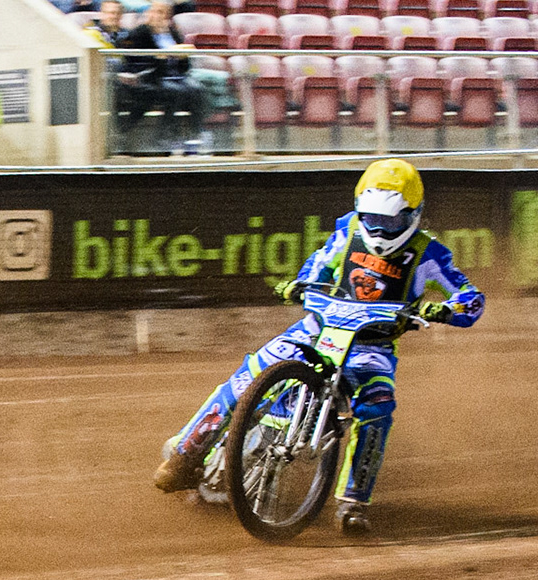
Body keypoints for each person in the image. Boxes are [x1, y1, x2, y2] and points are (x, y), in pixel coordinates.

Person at [152, 159, 483, 534]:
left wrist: (444, 310)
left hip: (370, 349)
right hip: (315, 328)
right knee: (247, 377)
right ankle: (185, 454)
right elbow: (318, 265)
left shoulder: (430, 253)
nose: (378, 228)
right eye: (372, 217)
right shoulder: (348, 230)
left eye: (390, 221)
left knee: (377, 408)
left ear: (413, 215)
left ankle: (353, 503)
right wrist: (301, 283)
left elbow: (471, 297)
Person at [116, 2, 207, 152]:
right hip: (154, 77)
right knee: (176, 91)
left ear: (167, 16)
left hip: (176, 76)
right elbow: (136, 62)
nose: (157, 16)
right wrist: (160, 58)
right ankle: (163, 137)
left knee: (198, 89)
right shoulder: (141, 33)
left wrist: (183, 58)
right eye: (155, 11)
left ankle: (194, 137)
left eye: (162, 13)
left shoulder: (172, 32)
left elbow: (185, 67)